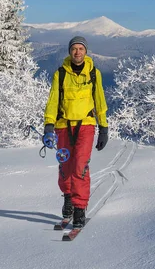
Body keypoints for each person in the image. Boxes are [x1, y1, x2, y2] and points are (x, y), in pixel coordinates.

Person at [43, 36, 109, 229]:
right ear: (69, 51)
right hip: (63, 125)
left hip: (86, 125)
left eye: (81, 48)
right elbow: (53, 101)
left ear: (86, 51)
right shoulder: (60, 74)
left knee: (80, 165)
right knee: (65, 166)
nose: (77, 52)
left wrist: (103, 128)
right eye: (74, 49)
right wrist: (48, 125)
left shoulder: (94, 74)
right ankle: (68, 198)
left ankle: (80, 208)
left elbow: (100, 102)